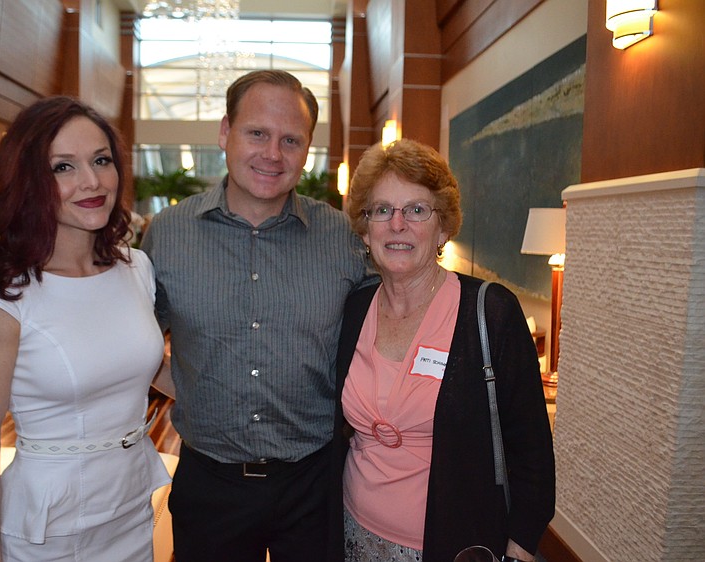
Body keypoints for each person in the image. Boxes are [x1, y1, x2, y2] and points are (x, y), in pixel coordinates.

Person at [141, 69, 375, 562]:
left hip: (316, 482)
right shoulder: (168, 233)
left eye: (291, 140)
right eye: (257, 133)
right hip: (209, 484)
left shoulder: (344, 239)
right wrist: (190, 385)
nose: (273, 154)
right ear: (225, 132)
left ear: (307, 150)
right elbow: (133, 344)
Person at [0, 96, 170, 562]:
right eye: (63, 167)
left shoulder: (136, 268)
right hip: (48, 530)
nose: (91, 181)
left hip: (131, 507)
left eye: (101, 160)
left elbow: (137, 364)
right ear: (28, 181)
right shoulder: (0, 299)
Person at [332, 138, 555, 562]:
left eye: (417, 210)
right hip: (353, 533)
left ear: (444, 228)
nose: (397, 224)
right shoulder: (355, 308)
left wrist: (519, 550)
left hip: (454, 544)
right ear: (364, 229)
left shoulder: (490, 313)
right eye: (382, 210)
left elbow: (533, 454)